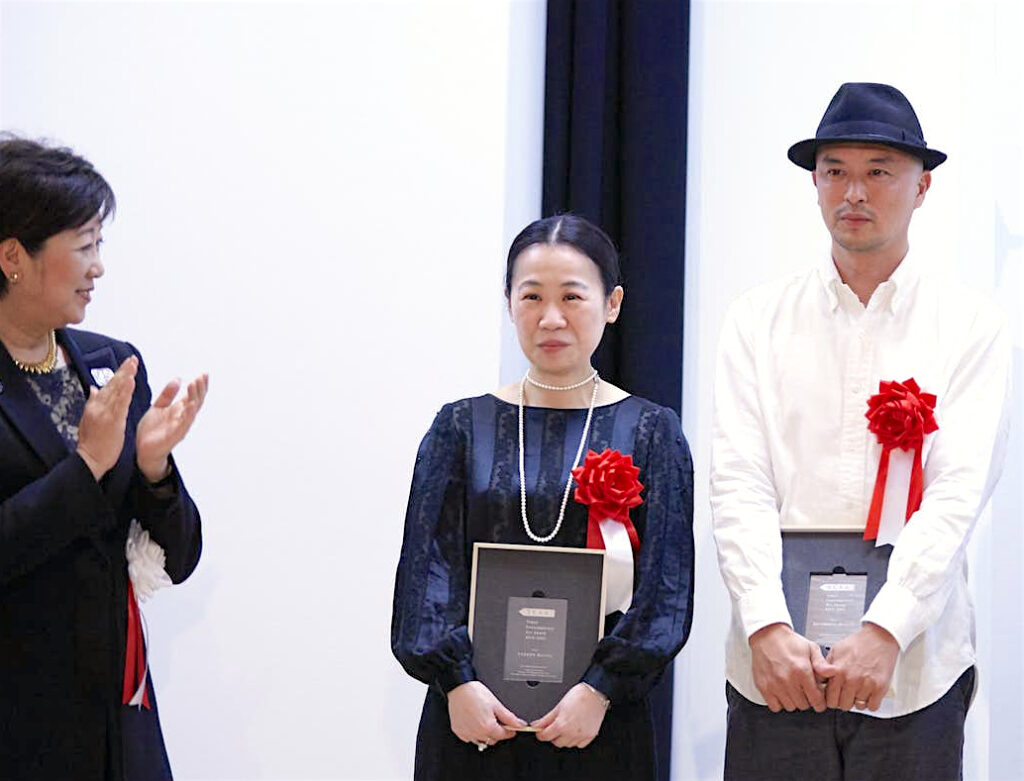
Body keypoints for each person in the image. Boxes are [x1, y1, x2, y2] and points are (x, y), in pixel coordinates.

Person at [710, 83, 1011, 780]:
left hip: (915, 668)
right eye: (835, 170)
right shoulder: (756, 320)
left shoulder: (969, 324)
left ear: (923, 184)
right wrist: (765, 623)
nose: (854, 191)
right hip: (775, 669)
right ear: (814, 182)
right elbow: (739, 483)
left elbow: (958, 494)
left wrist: (886, 630)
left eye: (878, 170)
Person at [391, 214, 694, 780]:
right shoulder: (460, 426)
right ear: (509, 302)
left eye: (572, 296)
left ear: (613, 303)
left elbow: (665, 591)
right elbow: (425, 574)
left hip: (598, 726)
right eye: (531, 296)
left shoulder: (652, 432)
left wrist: (601, 691)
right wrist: (457, 684)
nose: (550, 317)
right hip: (473, 722)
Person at [0, 136, 208, 780]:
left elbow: (181, 556)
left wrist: (153, 469)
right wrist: (86, 466)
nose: (98, 268)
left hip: (118, 716)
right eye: (83, 245)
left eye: (100, 245)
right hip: (17, 720)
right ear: (13, 257)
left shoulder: (108, 362)